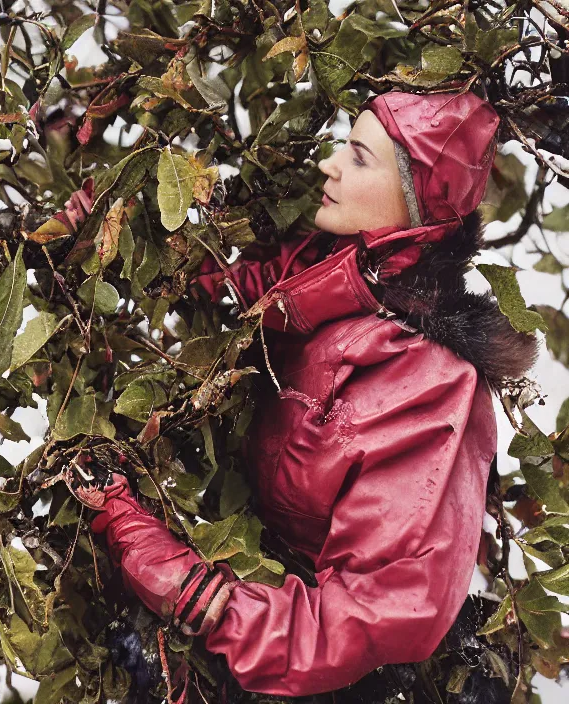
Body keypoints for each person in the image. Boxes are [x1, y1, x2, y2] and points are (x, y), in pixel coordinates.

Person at [85, 91, 540, 697]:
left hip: (316, 677)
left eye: (358, 158)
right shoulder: (332, 279)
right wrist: (102, 226)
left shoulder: (430, 383)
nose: (330, 166)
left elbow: (368, 616)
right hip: (252, 583)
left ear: (414, 209)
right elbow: (223, 279)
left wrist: (173, 573)